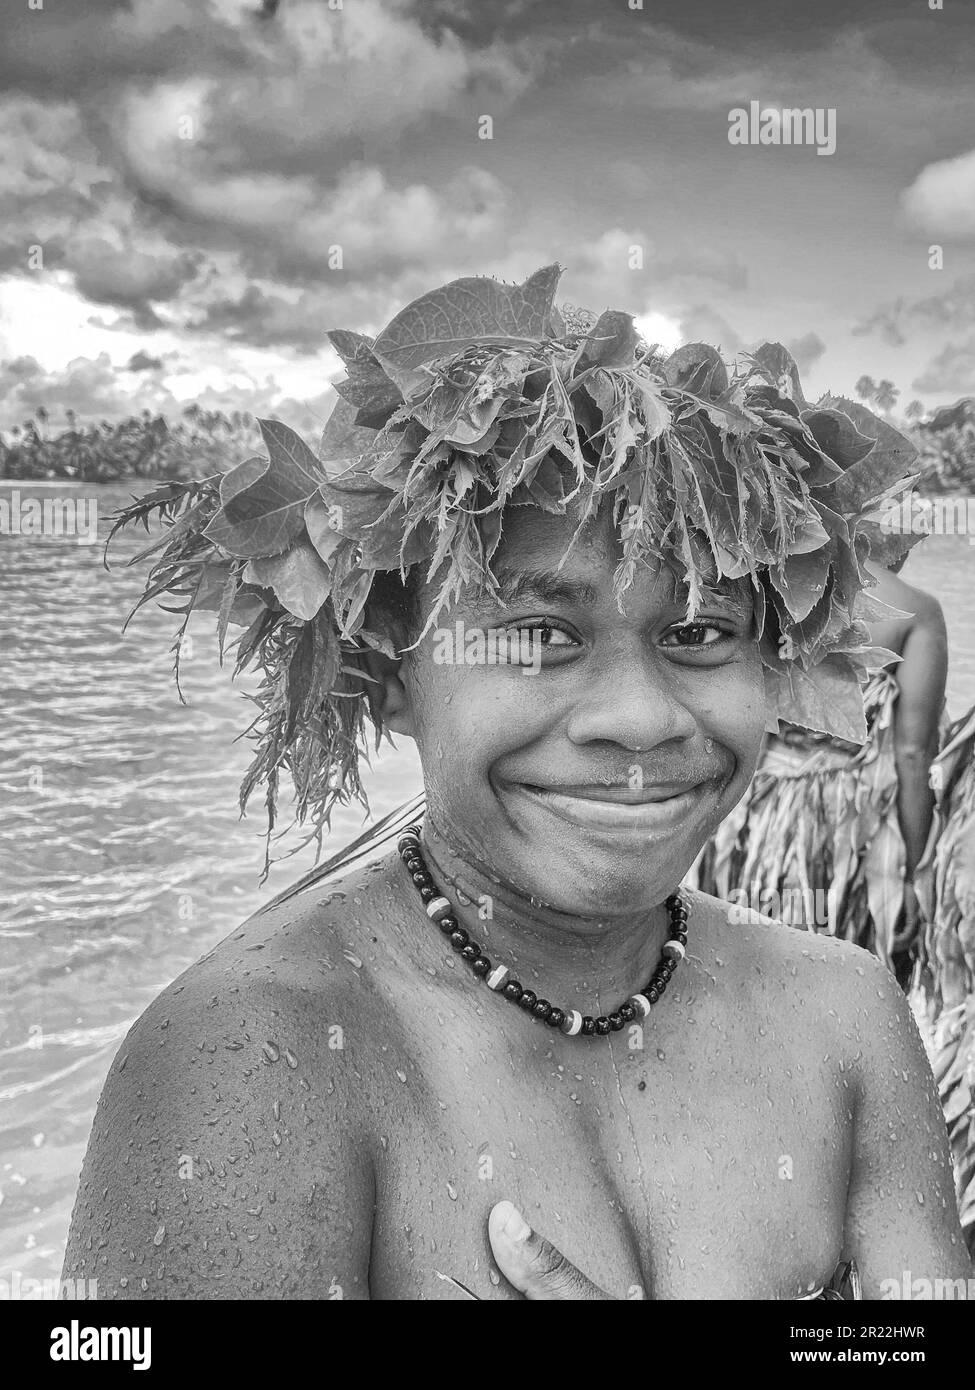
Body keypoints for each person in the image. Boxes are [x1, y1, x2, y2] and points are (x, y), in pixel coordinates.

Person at [62, 267, 970, 1299]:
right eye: (540, 632)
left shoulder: (845, 1012)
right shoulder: (250, 1063)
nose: (640, 716)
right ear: (387, 672)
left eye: (701, 632)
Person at [685, 552, 949, 985]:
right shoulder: (916, 610)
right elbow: (913, 757)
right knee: (836, 982)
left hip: (745, 815)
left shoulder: (764, 589)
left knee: (730, 976)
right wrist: (913, 876)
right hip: (844, 825)